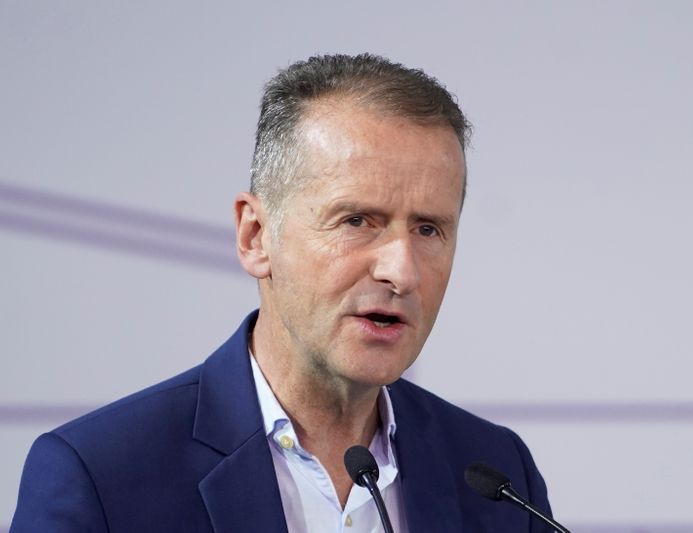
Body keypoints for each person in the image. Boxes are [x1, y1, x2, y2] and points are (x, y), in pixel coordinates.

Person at [11, 54, 552, 532]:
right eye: (357, 219)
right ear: (255, 237)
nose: (402, 271)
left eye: (429, 229)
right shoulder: (101, 476)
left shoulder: (496, 471)